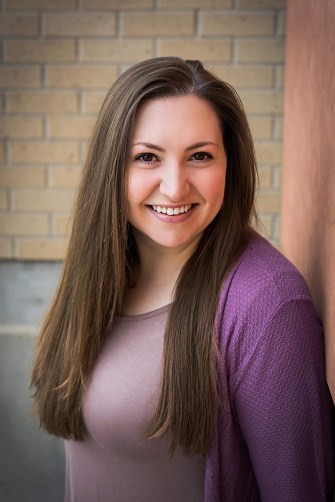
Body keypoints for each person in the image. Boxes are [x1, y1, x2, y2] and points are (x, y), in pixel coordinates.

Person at [31, 57, 334, 501]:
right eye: (147, 157)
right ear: (111, 169)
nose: (175, 187)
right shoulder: (101, 271)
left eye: (199, 156)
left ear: (230, 163)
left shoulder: (267, 306)